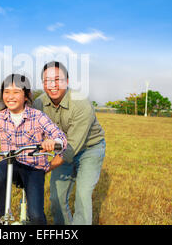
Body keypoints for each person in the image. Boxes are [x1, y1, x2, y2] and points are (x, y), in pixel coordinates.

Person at [0, 74, 67, 225]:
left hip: (34, 168)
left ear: (26, 96)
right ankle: (1, 217)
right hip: (10, 165)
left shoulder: (38, 116)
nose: (10, 96)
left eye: (16, 92)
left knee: (36, 217)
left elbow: (59, 136)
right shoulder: (0, 117)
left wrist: (54, 142)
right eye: (6, 92)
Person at [33, 61, 106, 225]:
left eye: (57, 80)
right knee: (56, 197)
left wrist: (46, 168)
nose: (52, 85)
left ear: (67, 81)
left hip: (89, 149)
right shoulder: (39, 104)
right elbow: (34, 135)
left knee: (82, 194)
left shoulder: (81, 103)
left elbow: (70, 148)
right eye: (47, 81)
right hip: (62, 149)